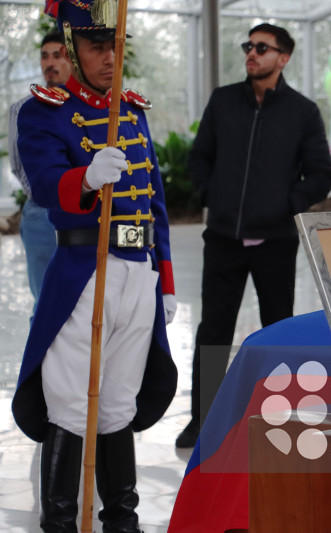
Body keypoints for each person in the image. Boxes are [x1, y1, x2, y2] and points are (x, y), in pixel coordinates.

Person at [12, 1, 177, 531]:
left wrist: (165, 280)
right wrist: (85, 179)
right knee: (68, 403)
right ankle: (60, 523)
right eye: (97, 47)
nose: (110, 58)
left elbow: (157, 205)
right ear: (74, 48)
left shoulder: (131, 110)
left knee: (119, 404)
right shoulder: (43, 111)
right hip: (86, 270)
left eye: (116, 46)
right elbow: (42, 184)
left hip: (137, 273)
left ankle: (122, 522)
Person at [177, 23, 331, 448]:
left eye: (262, 47)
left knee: (277, 329)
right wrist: (214, 194)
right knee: (213, 331)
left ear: (283, 58)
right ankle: (203, 422)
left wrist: (285, 204)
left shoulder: (303, 111)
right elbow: (200, 158)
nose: (252, 53)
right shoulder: (224, 101)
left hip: (275, 243)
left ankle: (280, 417)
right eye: (249, 45)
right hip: (224, 238)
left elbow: (321, 173)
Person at [8, 31, 71, 314]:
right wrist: (46, 195)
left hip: (85, 214)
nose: (49, 63)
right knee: (44, 305)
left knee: (83, 304)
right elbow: (18, 166)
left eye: (57, 55)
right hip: (41, 214)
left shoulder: (90, 109)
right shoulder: (22, 109)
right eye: (45, 56)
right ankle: (41, 360)